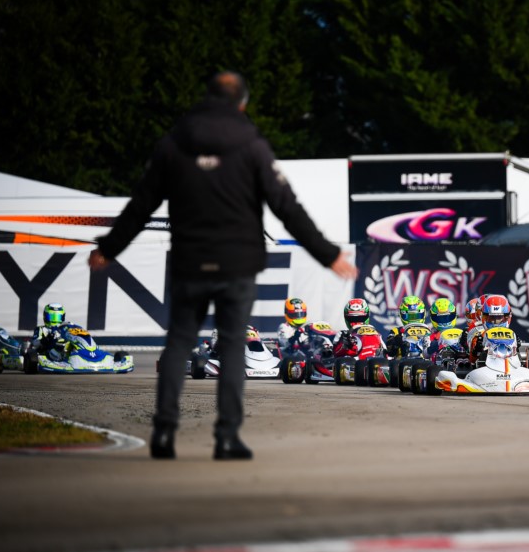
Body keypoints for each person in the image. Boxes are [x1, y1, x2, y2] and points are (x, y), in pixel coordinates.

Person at [88, 71, 357, 461]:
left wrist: (109, 247)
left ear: (207, 98)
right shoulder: (252, 144)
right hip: (237, 264)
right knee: (232, 347)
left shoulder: (174, 143)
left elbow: (142, 203)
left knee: (179, 342)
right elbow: (286, 206)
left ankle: (163, 432)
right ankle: (227, 437)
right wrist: (327, 254)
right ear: (242, 104)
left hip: (189, 260)